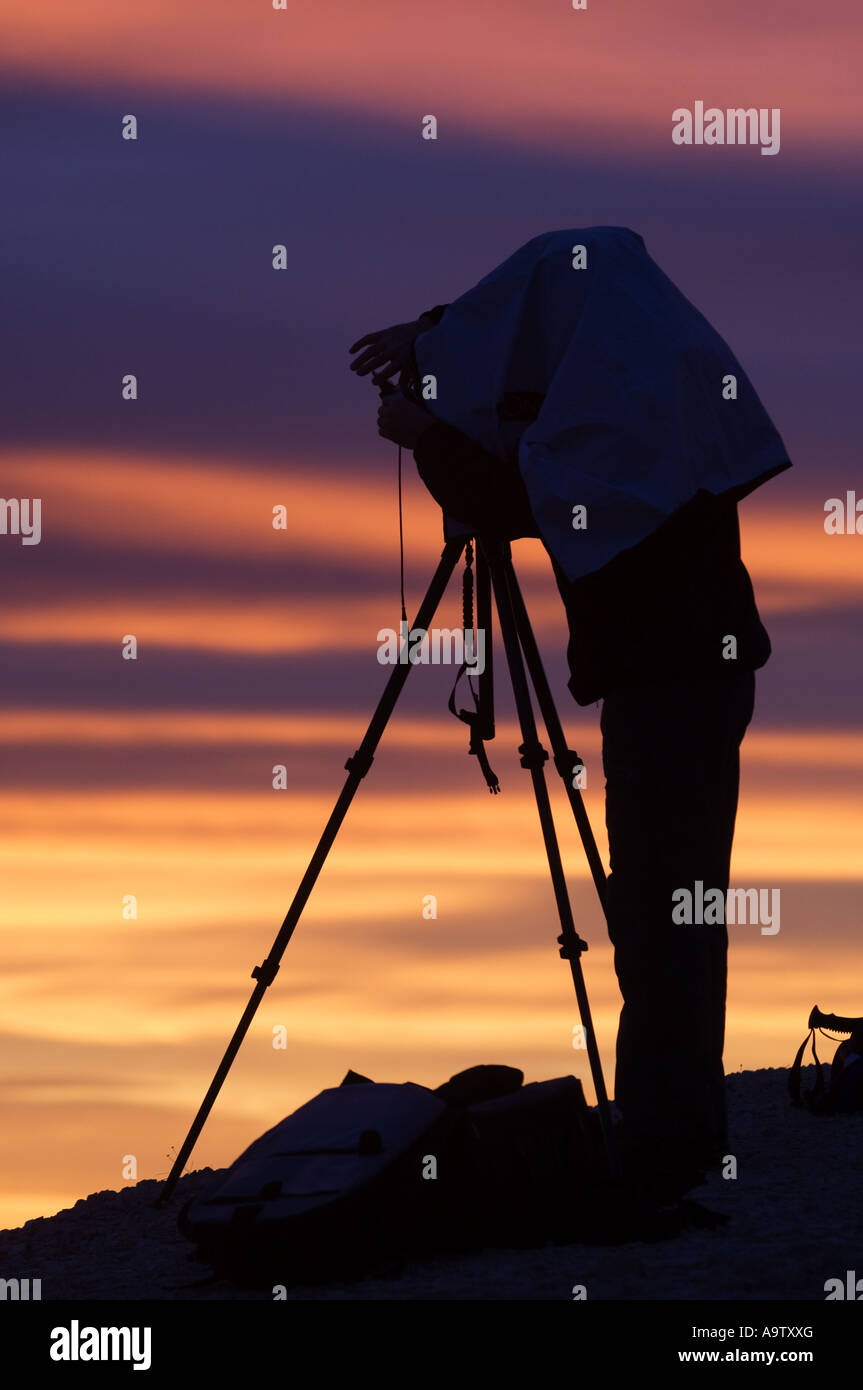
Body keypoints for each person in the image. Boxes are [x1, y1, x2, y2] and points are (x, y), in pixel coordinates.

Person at [349, 228, 791, 1203]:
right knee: (662, 904)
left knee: (662, 908)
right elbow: (530, 341)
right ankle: (668, 1123)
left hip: (671, 683)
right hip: (674, 677)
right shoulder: (640, 366)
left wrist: (427, 435)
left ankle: (668, 1142)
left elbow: (529, 498)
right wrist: (432, 338)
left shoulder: (618, 411)